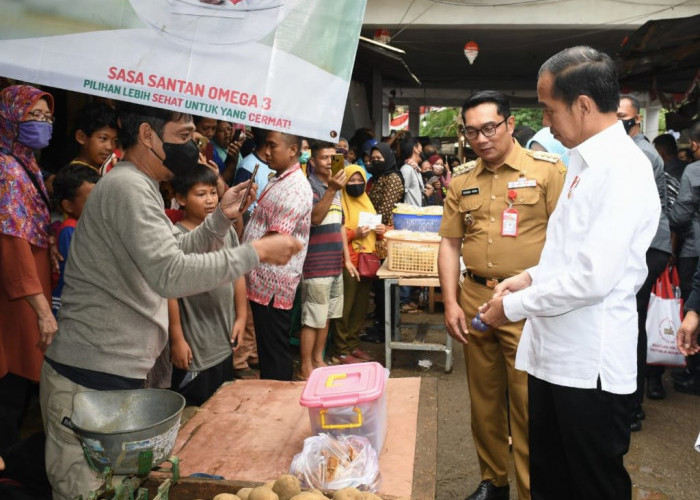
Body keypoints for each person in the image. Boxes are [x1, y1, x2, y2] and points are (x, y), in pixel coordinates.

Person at [40, 102, 302, 498]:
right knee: (86, 491)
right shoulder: (126, 187)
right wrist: (257, 253)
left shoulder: (137, 186)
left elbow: (177, 248)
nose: (192, 144)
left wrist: (220, 219)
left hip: (112, 377)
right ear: (148, 135)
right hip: (87, 381)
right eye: (183, 136)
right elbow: (171, 274)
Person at [479, 46, 661, 500]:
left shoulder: (623, 169)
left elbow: (592, 278)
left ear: (582, 105)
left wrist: (513, 307)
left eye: (548, 109)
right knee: (551, 480)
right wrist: (529, 279)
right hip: (555, 358)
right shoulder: (581, 162)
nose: (545, 122)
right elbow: (569, 257)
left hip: (589, 366)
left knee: (592, 485)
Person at [438, 90, 566, 500]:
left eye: (489, 128)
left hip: (526, 304)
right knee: (484, 400)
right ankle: (493, 481)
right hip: (476, 298)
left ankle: (532, 490)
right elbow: (449, 244)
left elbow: (568, 241)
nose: (481, 138)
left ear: (510, 124)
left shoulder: (547, 171)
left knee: (527, 405)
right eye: (471, 131)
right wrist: (451, 301)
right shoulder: (462, 179)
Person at [0, 85, 57, 451]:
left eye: (46, 117)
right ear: (9, 118)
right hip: (17, 296)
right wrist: (41, 311)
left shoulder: (24, 162)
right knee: (10, 382)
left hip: (28, 289)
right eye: (32, 116)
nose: (41, 124)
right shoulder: (6, 170)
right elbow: (11, 243)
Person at [168, 165, 247, 406]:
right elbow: (169, 291)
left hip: (224, 336)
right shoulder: (175, 237)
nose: (210, 200)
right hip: (196, 344)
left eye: (213, 192)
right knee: (195, 411)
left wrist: (241, 317)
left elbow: (238, 274)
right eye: (201, 194)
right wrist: (177, 338)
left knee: (221, 403)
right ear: (180, 198)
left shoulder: (226, 230)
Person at [617, 94, 672, 427]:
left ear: (636, 120)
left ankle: (631, 407)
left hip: (648, 248)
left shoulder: (639, 153)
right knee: (630, 321)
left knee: (630, 324)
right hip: (647, 246)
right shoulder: (631, 149)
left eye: (622, 116)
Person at [242, 131, 312, 381]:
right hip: (261, 279)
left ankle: (278, 404)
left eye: (273, 146)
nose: (267, 152)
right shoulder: (279, 179)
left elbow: (274, 239)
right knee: (268, 350)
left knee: (274, 354)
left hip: (272, 284)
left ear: (293, 149)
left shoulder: (295, 188)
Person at [298, 141, 359, 379]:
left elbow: (341, 226)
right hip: (315, 263)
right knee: (312, 318)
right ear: (312, 162)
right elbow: (314, 218)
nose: (330, 162)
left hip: (334, 263)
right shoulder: (309, 188)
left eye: (334, 157)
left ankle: (318, 360)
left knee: (326, 317)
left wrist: (347, 259)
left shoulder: (335, 187)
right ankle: (305, 368)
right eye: (324, 158)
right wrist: (332, 190)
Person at [334, 165, 385, 363]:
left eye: (359, 181)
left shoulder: (367, 202)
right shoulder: (340, 203)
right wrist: (355, 233)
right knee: (345, 308)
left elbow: (375, 231)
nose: (356, 185)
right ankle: (341, 350)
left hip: (367, 260)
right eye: (351, 181)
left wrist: (381, 228)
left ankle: (353, 345)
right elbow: (335, 232)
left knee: (360, 308)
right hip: (348, 262)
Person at [667, 119, 700, 395]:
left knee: (693, 309)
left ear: (695, 145)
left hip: (693, 250)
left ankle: (693, 373)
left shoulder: (694, 170)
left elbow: (681, 215)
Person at [362, 142, 404, 343]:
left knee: (385, 287)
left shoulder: (393, 179)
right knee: (379, 288)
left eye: (380, 158)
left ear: (388, 158)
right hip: (374, 236)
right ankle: (382, 326)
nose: (375, 162)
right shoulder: (377, 178)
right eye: (373, 158)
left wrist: (366, 222)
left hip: (385, 239)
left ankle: (387, 330)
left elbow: (385, 211)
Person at [50, 165, 100, 317]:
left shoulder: (87, 227)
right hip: (67, 304)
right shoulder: (70, 230)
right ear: (68, 206)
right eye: (91, 201)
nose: (98, 205)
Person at [66, 101, 119, 174]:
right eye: (103, 138)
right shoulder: (75, 176)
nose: (110, 147)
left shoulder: (102, 169)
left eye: (115, 141)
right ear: (81, 137)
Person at [398, 137, 424, 207]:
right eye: (421, 149)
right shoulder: (407, 169)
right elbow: (401, 194)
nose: (422, 152)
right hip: (409, 215)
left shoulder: (415, 168)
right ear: (415, 149)